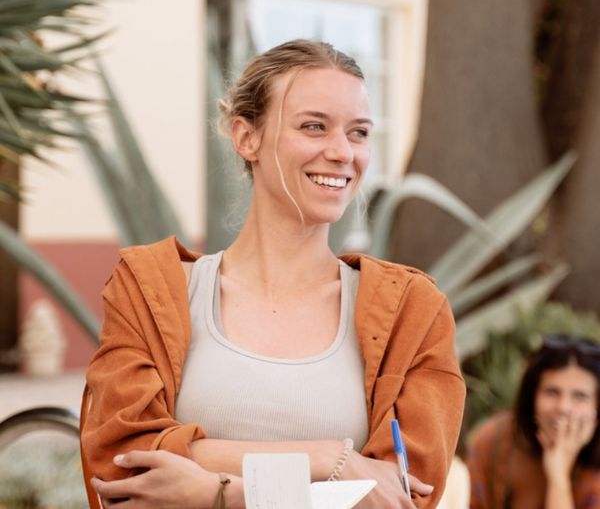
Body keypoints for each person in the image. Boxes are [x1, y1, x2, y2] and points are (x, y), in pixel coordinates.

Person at [80, 39, 465, 509]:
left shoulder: (414, 313)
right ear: (246, 138)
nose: (343, 152)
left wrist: (215, 491)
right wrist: (329, 460)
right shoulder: (148, 290)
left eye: (359, 132)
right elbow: (122, 461)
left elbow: (400, 496)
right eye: (314, 126)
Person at [466, 334, 600, 509]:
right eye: (552, 392)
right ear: (533, 397)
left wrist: (558, 476)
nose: (563, 407)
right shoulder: (494, 439)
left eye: (580, 396)